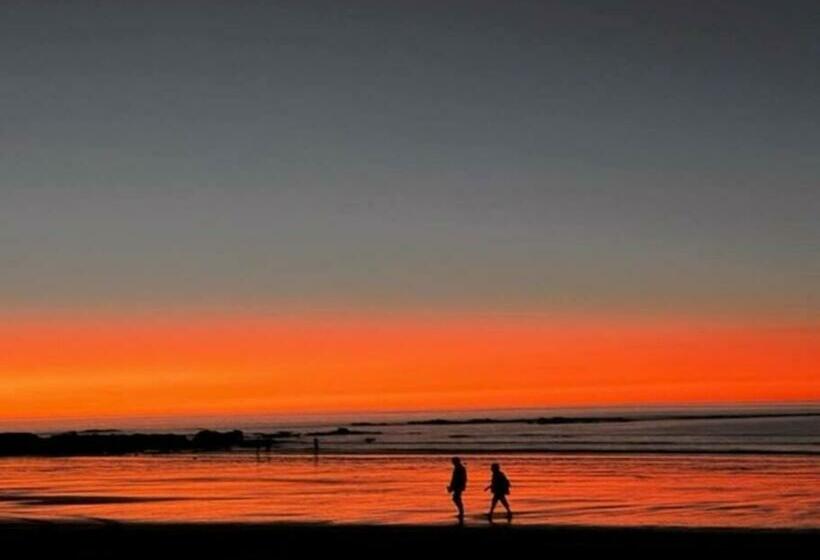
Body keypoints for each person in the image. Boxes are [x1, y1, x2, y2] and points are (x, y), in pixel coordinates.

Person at [447, 456, 467, 523]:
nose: (452, 463)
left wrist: (452, 487)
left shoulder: (459, 468)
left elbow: (456, 479)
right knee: (456, 498)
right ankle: (461, 512)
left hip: (458, 486)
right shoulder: (459, 468)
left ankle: (461, 512)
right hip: (459, 486)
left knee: (456, 498)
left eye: (453, 461)